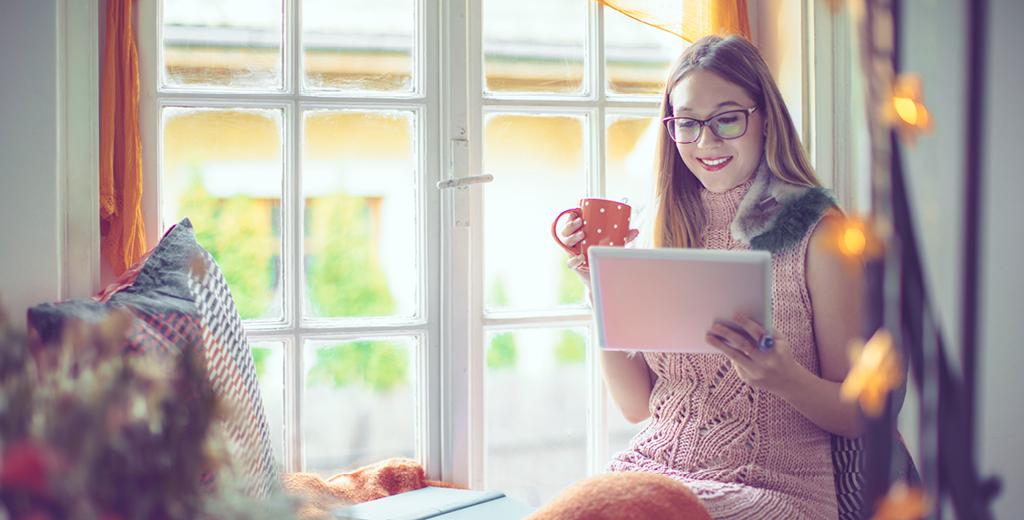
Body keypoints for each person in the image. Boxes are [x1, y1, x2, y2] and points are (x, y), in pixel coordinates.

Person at [557, 35, 864, 519]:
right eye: (688, 123)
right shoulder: (665, 226)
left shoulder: (818, 231)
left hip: (774, 491)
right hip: (652, 472)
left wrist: (783, 378)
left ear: (764, 118)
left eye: (727, 119)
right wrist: (601, 291)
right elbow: (636, 405)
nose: (706, 141)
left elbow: (859, 413)